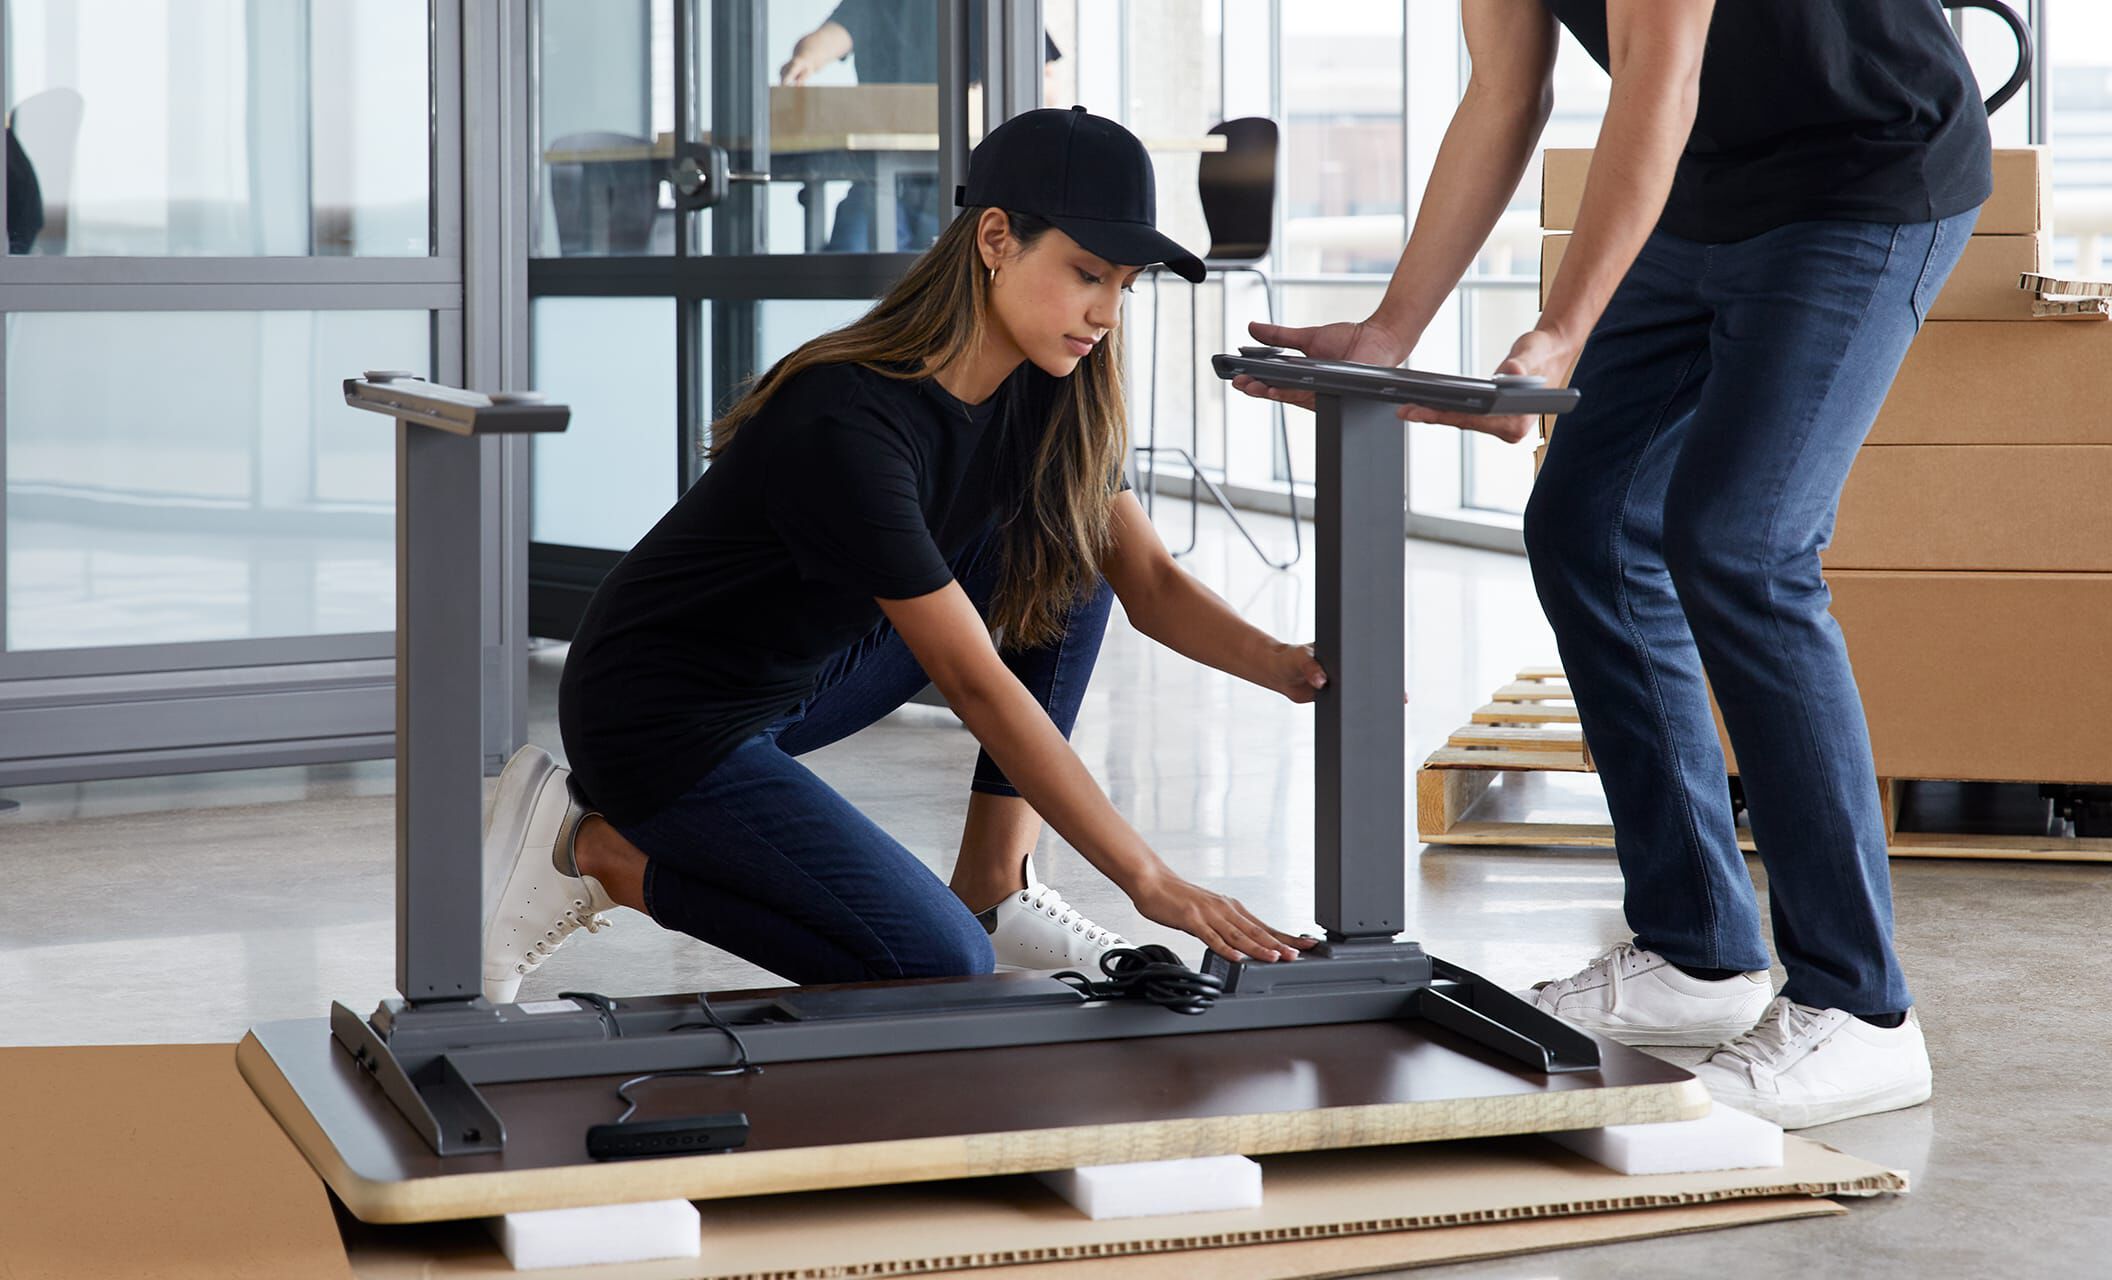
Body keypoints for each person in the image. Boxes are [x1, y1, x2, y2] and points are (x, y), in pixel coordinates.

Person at [1236, 0, 1990, 1129]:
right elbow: (1506, 91)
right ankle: (1699, 951)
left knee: (1742, 542)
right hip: (1704, 190)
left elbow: (1656, 71)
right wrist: (1394, 327)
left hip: (1863, 171)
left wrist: (1561, 327)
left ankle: (1861, 1008)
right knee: (1586, 521)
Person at [481, 107, 1322, 1003]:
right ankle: (597, 851)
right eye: (1086, 274)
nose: (1106, 314)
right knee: (935, 964)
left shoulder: (1048, 394)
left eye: (1124, 285)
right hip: (658, 719)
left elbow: (1148, 581)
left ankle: (997, 882)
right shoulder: (850, 419)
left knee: (1074, 551)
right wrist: (1148, 880)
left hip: (791, 681)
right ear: (996, 239)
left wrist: (1288, 667)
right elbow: (975, 684)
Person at [779, 2, 1065, 252]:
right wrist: (805, 60)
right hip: (878, 175)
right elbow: (832, 36)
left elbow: (1043, 80)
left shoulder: (991, 6)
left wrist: (984, 100)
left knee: (941, 281)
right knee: (848, 257)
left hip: (961, 177)